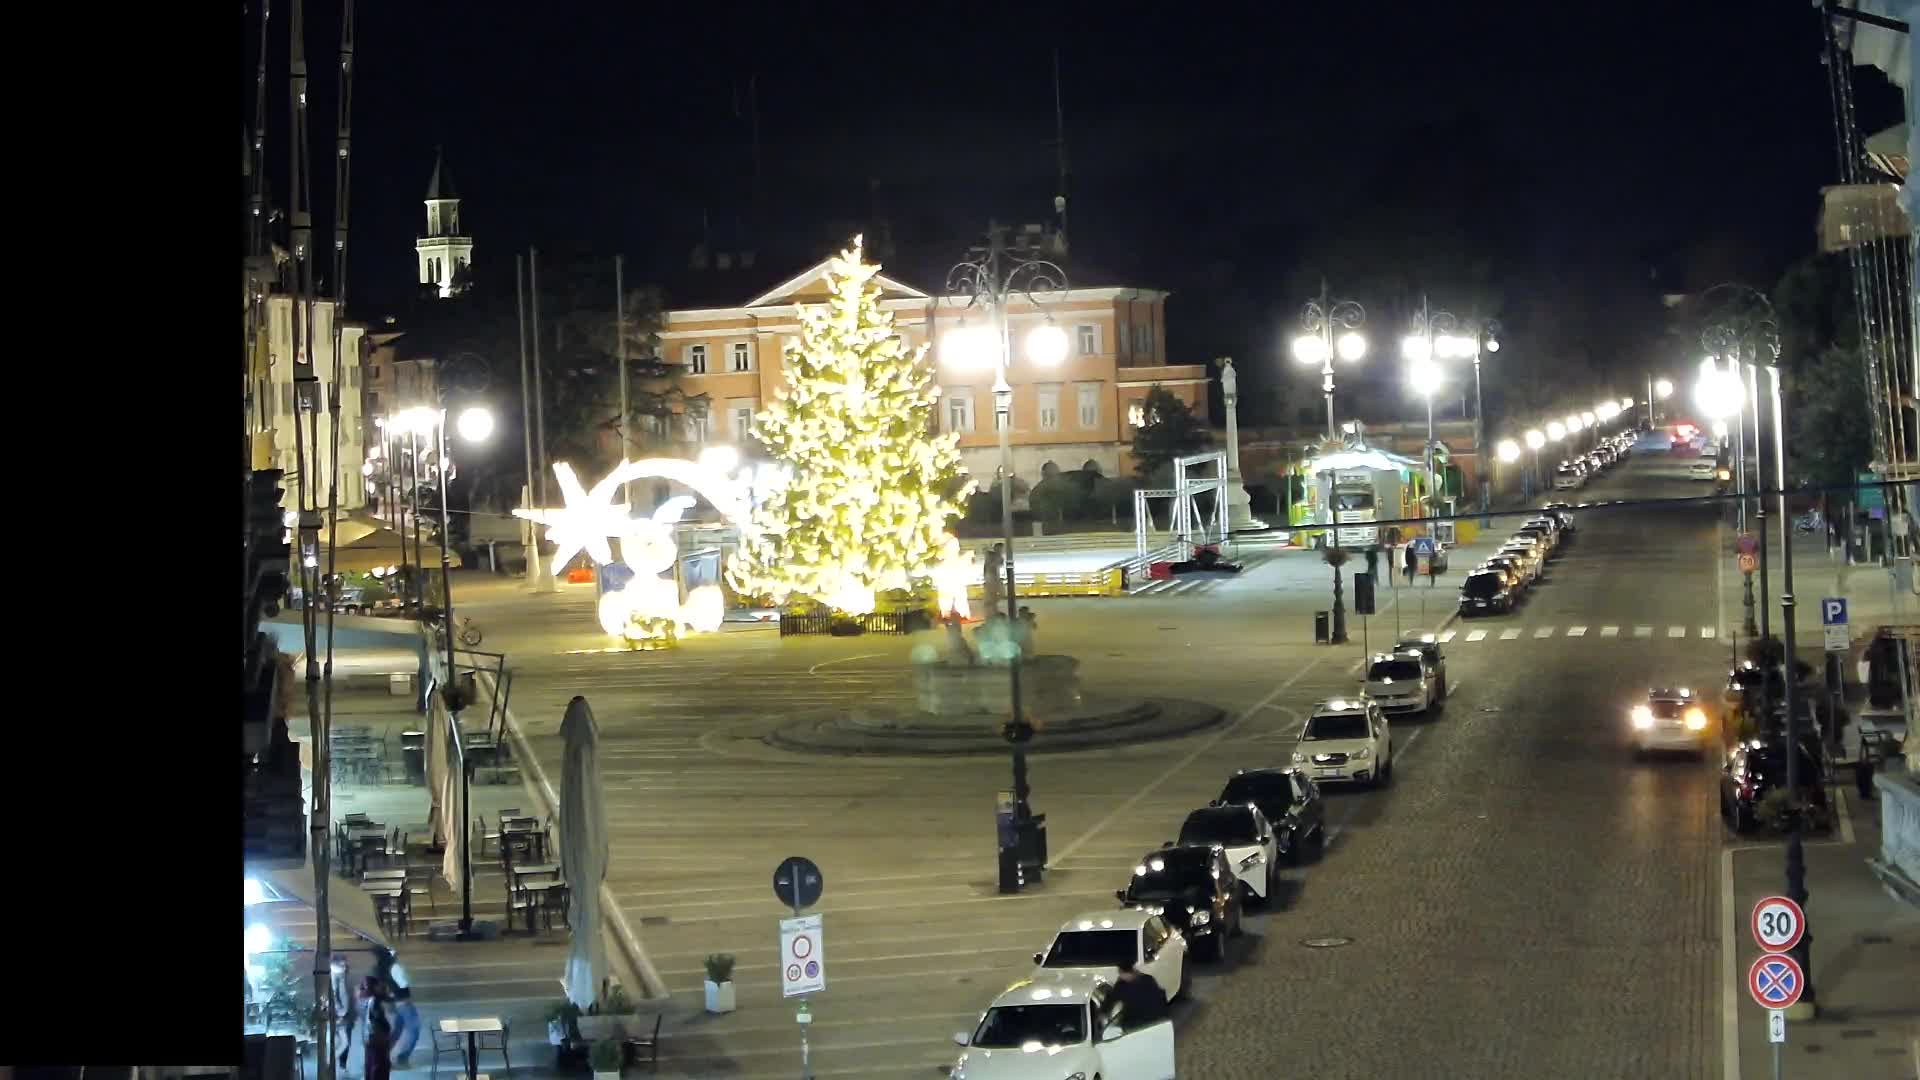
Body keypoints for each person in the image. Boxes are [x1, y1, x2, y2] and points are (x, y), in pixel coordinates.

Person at [374, 947, 421, 1068]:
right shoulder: (394, 967)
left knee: (397, 1030)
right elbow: (403, 984)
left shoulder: (380, 967)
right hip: (403, 1002)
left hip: (394, 1002)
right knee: (413, 1029)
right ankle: (402, 1058)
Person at [1109, 958, 1168, 1027]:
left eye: (1120, 973)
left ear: (1122, 972)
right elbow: (1160, 999)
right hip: (1154, 1023)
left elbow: (1111, 1000)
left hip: (1136, 1026)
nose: (1120, 976)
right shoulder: (1148, 979)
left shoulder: (1121, 986)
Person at [360, 976, 395, 1080]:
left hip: (368, 1037)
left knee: (370, 1064)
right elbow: (379, 1018)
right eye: (378, 986)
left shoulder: (362, 999)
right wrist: (387, 1028)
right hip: (377, 1039)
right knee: (379, 1066)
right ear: (373, 987)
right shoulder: (374, 1001)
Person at [330, 954, 358, 1071]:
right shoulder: (335, 977)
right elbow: (334, 995)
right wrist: (340, 1012)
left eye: (345, 965)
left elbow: (347, 995)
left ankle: (340, 1063)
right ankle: (331, 1064)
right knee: (343, 1042)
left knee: (345, 1041)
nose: (344, 967)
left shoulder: (343, 976)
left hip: (346, 1014)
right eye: (342, 965)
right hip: (340, 1015)